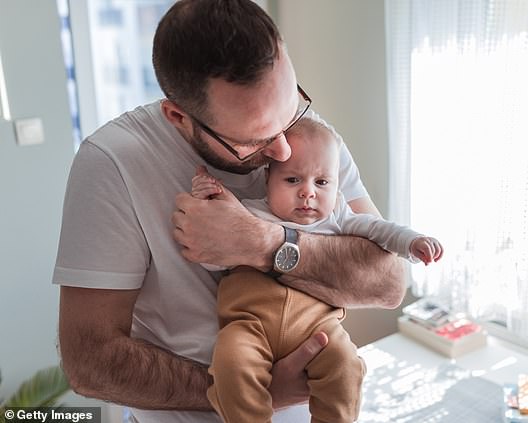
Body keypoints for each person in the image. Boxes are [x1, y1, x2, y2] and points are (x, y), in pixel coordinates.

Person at [53, 1, 407, 422]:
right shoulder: (112, 164)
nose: (284, 149)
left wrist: (264, 244)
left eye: (292, 107)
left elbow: (389, 284)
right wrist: (246, 392)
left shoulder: (312, 138)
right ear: (178, 116)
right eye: (255, 140)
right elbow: (89, 362)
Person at [192, 115, 442, 423]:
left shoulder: (338, 217)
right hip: (249, 324)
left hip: (317, 327)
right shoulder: (249, 213)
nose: (308, 192)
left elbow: (380, 230)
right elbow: (210, 257)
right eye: (293, 180)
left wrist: (412, 242)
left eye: (322, 182)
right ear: (267, 180)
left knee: (345, 364)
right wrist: (208, 197)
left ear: (337, 187)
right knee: (231, 362)